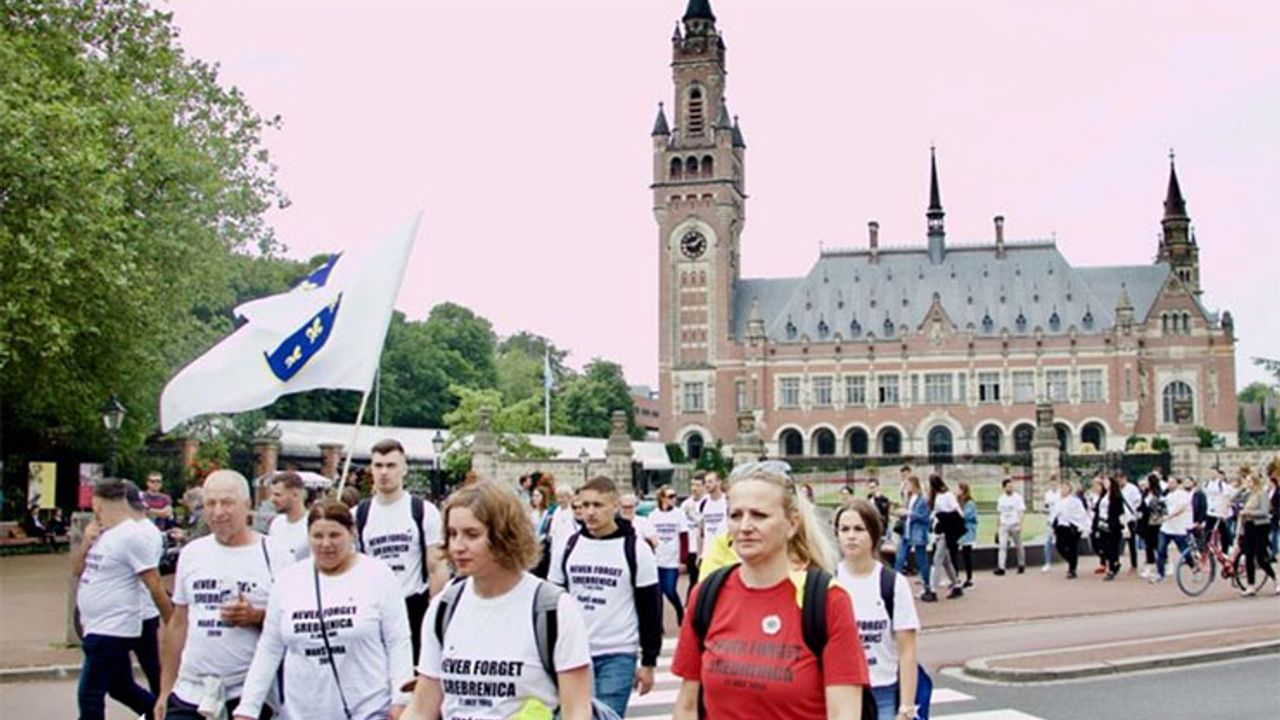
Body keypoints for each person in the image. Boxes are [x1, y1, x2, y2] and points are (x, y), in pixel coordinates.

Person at [670, 461, 869, 720]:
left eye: (759, 515)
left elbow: (844, 713)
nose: (745, 527)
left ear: (792, 524)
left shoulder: (826, 601)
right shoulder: (707, 595)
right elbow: (687, 706)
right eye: (735, 515)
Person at [402, 481, 593, 720]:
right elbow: (422, 707)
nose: (458, 546)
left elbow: (577, 710)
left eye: (472, 534)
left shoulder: (552, 609)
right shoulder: (444, 607)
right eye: (452, 534)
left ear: (505, 535)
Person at [235, 500, 413, 720]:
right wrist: (248, 707)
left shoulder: (378, 576)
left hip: (368, 710)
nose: (326, 544)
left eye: (335, 535)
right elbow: (270, 647)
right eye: (317, 536)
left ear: (352, 533)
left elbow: (398, 642)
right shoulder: (288, 581)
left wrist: (401, 700)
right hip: (303, 711)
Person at [157, 470, 284, 720]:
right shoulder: (192, 553)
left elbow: (290, 625)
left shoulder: (276, 554)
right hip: (190, 691)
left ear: (247, 505)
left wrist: (256, 616)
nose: (218, 512)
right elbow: (179, 622)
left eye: (227, 503)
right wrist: (165, 690)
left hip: (246, 693)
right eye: (210, 503)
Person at [549, 477, 661, 718]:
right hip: (573, 653)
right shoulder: (568, 547)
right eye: (585, 505)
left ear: (615, 505)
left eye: (598, 505)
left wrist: (649, 661)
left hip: (617, 653)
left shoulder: (635, 549)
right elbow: (552, 602)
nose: (590, 512)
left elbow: (650, 607)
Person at [73, 478, 175, 720]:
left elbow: (154, 583)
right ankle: (166, 716)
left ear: (102, 504)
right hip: (95, 624)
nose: (94, 510)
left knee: (89, 694)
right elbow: (77, 569)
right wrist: (87, 540)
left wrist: (172, 622)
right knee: (120, 687)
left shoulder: (133, 535)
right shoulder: (104, 533)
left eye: (95, 505)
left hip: (114, 626)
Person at [355, 439, 445, 661]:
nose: (384, 472)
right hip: (373, 607)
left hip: (413, 604)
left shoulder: (423, 511)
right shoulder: (358, 514)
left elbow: (436, 566)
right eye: (378, 465)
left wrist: (434, 614)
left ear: (404, 469)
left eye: (391, 465)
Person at [836, 500, 920, 720]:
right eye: (844, 529)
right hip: (839, 692)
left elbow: (907, 651)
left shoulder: (893, 583)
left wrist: (906, 708)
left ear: (873, 533)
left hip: (882, 690)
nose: (851, 536)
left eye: (859, 529)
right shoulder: (828, 581)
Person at [125, 480, 166, 697]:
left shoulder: (142, 533)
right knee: (148, 670)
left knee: (151, 670)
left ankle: (158, 710)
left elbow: (150, 578)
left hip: (141, 611)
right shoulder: (140, 530)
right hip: (136, 611)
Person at [648, 485, 689, 629]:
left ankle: (680, 612)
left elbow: (684, 537)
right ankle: (658, 625)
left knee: (670, 590)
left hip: (672, 559)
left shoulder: (679, 514)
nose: (674, 499)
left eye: (675, 496)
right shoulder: (653, 515)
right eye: (670, 496)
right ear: (662, 498)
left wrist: (683, 560)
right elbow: (649, 537)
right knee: (657, 593)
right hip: (657, 559)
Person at [893, 475, 933, 602]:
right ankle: (894, 586)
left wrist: (909, 513)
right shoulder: (909, 497)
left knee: (921, 560)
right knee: (899, 559)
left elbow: (925, 517)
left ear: (914, 484)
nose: (906, 487)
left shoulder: (922, 499)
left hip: (917, 533)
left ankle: (927, 586)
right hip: (907, 531)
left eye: (908, 484)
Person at [1237, 471, 1277, 596]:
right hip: (1249, 525)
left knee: (1260, 556)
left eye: (1249, 481)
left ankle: (1276, 580)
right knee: (1248, 555)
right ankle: (1250, 585)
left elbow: (1264, 512)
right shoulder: (1248, 494)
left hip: (1261, 526)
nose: (1247, 483)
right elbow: (1235, 500)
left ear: (1254, 482)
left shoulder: (1262, 494)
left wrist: (1248, 513)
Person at [927, 475, 964, 599]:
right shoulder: (939, 496)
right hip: (941, 530)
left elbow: (956, 511)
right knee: (946, 561)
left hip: (946, 531)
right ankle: (956, 585)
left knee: (937, 559)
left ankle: (932, 589)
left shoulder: (947, 496)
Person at [1151, 475, 1194, 584]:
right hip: (1166, 528)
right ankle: (1160, 573)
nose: (1169, 485)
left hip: (1179, 529)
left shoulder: (1184, 495)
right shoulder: (1167, 495)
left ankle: (1193, 566)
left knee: (1184, 551)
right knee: (1160, 550)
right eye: (1169, 482)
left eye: (1172, 482)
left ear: (1178, 484)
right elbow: (1161, 507)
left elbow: (1181, 509)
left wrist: (1170, 516)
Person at [267, 471, 310, 565]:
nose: (272, 499)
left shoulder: (313, 524)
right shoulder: (276, 523)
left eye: (277, 495)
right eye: (272, 494)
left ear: (295, 495)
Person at [1053, 482, 1090, 579]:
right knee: (1059, 546)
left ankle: (1072, 569)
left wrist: (1081, 525)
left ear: (1069, 490)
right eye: (1062, 488)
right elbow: (1055, 514)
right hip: (1061, 527)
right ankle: (1071, 561)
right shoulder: (1058, 501)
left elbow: (1081, 513)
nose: (1063, 490)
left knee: (1072, 547)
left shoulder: (1075, 501)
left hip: (1072, 527)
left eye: (1066, 488)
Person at [696, 470, 729, 570]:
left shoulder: (727, 501)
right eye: (706, 482)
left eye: (710, 482)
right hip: (708, 554)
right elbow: (700, 531)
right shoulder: (704, 503)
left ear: (718, 482)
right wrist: (699, 553)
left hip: (725, 553)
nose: (707, 485)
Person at [680, 472, 706, 592]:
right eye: (692, 485)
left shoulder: (707, 503)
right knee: (693, 580)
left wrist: (693, 515)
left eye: (698, 485)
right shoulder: (686, 504)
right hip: (690, 548)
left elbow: (704, 523)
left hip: (703, 548)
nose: (694, 488)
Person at [1095, 476, 1125, 580]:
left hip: (1113, 526)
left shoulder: (1116, 497)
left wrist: (1125, 528)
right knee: (1103, 547)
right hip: (1102, 525)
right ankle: (1113, 563)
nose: (1105, 484)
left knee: (1112, 548)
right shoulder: (1103, 496)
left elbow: (1121, 513)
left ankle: (1112, 569)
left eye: (1107, 482)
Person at [994, 479, 1026, 575]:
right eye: (1008, 486)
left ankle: (1021, 564)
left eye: (1011, 486)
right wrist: (997, 527)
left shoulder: (1017, 498)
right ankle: (1001, 567)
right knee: (1002, 546)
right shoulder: (1001, 499)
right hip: (1004, 525)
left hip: (1014, 523)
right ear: (1004, 488)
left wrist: (1020, 524)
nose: (1010, 488)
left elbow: (1021, 512)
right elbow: (999, 513)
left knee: (1019, 546)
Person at [1137, 474, 1165, 578]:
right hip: (1145, 522)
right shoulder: (1144, 493)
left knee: (1157, 545)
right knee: (1148, 545)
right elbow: (1141, 506)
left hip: (1155, 523)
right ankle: (1150, 565)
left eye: (1147, 481)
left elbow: (1161, 508)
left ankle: (1164, 562)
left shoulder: (1159, 494)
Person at [1204, 468, 1235, 551]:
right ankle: (1205, 549)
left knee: (1224, 532)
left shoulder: (1222, 485)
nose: (1212, 474)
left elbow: (1226, 498)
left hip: (1219, 513)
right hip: (1210, 512)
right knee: (1207, 532)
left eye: (1214, 473)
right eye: (1210, 473)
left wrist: (1224, 511)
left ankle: (1226, 548)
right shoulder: (1206, 484)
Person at [1118, 472, 1142, 572]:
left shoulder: (1132, 488)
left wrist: (1133, 511)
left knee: (1131, 542)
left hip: (1130, 517)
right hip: (1120, 517)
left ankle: (1134, 564)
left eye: (1120, 479)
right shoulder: (1117, 489)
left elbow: (1138, 501)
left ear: (1125, 478)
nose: (1119, 482)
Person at [956, 482, 978, 589]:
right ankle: (956, 576)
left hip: (967, 531)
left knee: (967, 554)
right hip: (959, 532)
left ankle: (969, 578)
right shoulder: (958, 502)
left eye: (959, 489)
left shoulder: (970, 503)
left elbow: (965, 516)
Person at [1041, 474, 1061, 572]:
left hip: (1061, 520)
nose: (1054, 485)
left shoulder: (1061, 493)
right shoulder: (1047, 494)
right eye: (1052, 483)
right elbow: (1046, 506)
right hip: (1051, 520)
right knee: (1048, 541)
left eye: (1055, 483)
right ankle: (1047, 562)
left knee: (1062, 541)